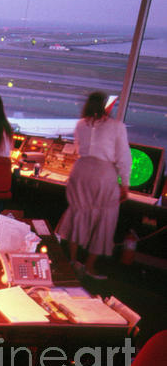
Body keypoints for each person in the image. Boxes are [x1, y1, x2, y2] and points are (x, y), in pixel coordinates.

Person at [56, 92, 131, 279]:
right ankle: (89, 267)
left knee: (77, 213)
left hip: (80, 170)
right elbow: (123, 157)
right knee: (105, 220)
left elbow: (77, 146)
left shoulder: (81, 124)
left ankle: (73, 262)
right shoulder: (117, 126)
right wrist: (125, 184)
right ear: (106, 106)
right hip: (103, 173)